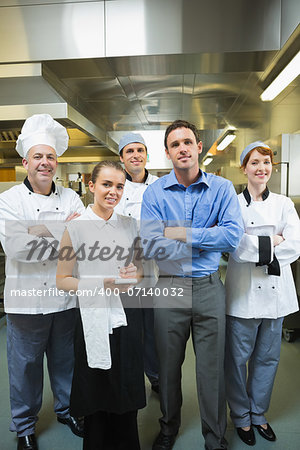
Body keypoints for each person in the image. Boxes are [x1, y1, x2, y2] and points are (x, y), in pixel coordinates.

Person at [140, 119, 244, 450]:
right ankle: (168, 428)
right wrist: (206, 238)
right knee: (168, 368)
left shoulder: (223, 189)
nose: (182, 148)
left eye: (188, 142)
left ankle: (215, 437)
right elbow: (151, 245)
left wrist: (182, 233)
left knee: (212, 370)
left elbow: (231, 236)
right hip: (169, 287)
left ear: (199, 147)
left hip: (210, 287)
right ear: (168, 152)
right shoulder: (155, 193)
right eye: (175, 144)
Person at [0, 114, 85, 450]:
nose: (45, 163)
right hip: (26, 301)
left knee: (66, 363)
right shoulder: (9, 201)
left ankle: (66, 410)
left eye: (50, 156)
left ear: (57, 162)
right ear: (25, 162)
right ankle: (24, 426)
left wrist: (39, 231)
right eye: (38, 156)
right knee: (25, 368)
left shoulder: (70, 198)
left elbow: (87, 240)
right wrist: (66, 229)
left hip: (64, 300)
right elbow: (18, 248)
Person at [56, 160, 146, 450]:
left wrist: (135, 274)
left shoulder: (130, 225)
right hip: (92, 317)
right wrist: (98, 285)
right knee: (96, 390)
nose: (113, 192)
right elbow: (63, 279)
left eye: (119, 186)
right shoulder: (76, 228)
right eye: (107, 184)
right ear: (91, 186)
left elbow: (141, 271)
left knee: (126, 387)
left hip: (126, 315)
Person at [225, 141, 300, 446]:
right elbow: (235, 245)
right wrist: (274, 241)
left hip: (276, 298)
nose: (261, 168)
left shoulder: (284, 204)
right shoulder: (231, 204)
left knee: (268, 358)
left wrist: (257, 244)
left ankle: (259, 413)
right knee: (237, 359)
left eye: (266, 163)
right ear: (244, 168)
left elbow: (295, 245)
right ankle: (241, 416)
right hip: (242, 297)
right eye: (254, 162)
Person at [114, 132, 160, 394]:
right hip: (123, 271)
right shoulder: (116, 186)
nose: (135, 155)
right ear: (121, 157)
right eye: (129, 151)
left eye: (140, 150)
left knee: (153, 331)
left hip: (154, 271)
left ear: (146, 155)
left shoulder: (161, 186)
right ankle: (129, 383)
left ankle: (155, 377)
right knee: (128, 330)